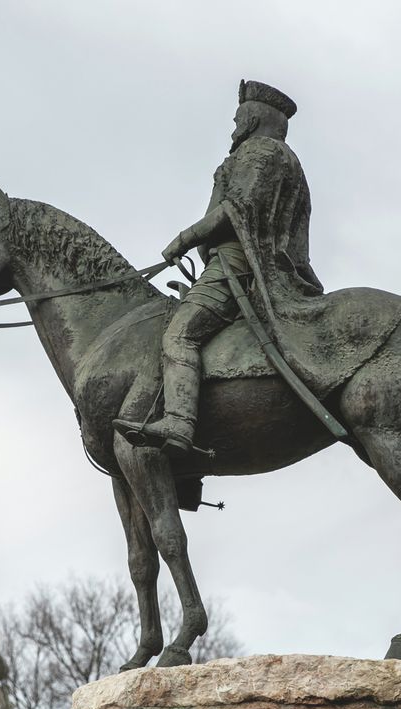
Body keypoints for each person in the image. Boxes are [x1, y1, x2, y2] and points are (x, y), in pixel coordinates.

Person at [114, 80, 324, 454]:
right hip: (248, 267)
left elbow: (233, 210)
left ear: (252, 117)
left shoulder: (259, 152)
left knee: (179, 335)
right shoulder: (285, 159)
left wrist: (184, 239)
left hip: (236, 267)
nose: (233, 128)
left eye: (237, 119)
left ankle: (179, 422)